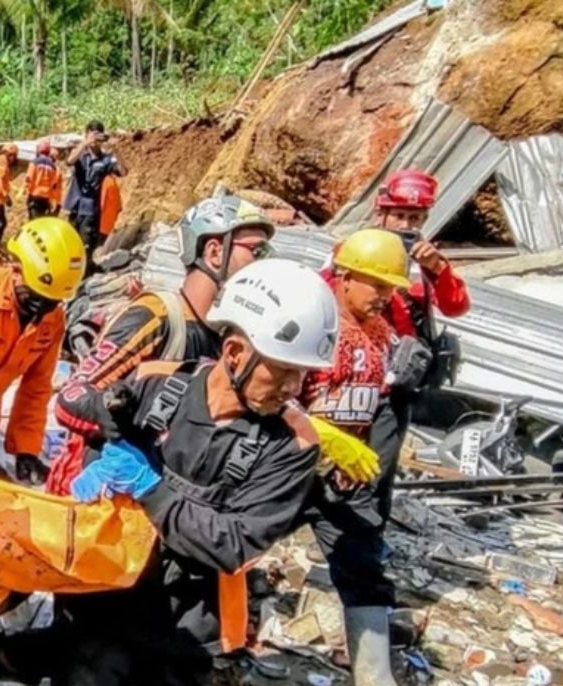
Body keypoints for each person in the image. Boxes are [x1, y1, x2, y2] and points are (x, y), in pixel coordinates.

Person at [54, 258, 338, 685]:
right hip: (104, 596)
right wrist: (99, 463)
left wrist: (150, 489)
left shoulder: (293, 445)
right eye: (282, 370)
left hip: (183, 625)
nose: (293, 388)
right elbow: (98, 427)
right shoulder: (155, 383)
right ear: (234, 353)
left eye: (302, 375)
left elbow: (233, 543)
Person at [49, 195, 274, 495]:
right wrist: (111, 415)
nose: (264, 264)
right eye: (256, 251)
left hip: (165, 506)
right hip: (100, 500)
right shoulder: (155, 316)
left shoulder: (229, 343)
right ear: (215, 252)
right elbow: (71, 397)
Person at [302, 228, 411, 686]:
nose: (385, 296)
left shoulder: (380, 337)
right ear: (344, 278)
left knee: (362, 564)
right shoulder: (315, 329)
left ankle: (373, 673)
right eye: (376, 285)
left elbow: (370, 407)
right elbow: (275, 399)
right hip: (291, 467)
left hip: (343, 480)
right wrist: (323, 435)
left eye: (390, 288)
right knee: (231, 545)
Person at [0, 217, 85, 484]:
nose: (44, 308)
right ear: (16, 269)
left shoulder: (53, 319)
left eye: (53, 301)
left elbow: (36, 386)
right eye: (37, 296)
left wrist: (26, 449)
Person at [371, 169, 470, 340]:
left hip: (408, 354)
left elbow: (456, 307)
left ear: (424, 220)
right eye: (399, 215)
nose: (405, 225)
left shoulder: (427, 260)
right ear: (381, 215)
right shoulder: (354, 248)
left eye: (414, 218)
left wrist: (437, 268)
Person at [64, 120, 125, 265]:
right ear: (86, 135)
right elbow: (69, 161)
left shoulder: (105, 159)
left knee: (86, 245)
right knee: (71, 243)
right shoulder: (81, 154)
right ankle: (71, 273)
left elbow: (123, 172)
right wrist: (85, 143)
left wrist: (117, 150)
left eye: (98, 137)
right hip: (76, 207)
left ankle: (84, 276)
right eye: (92, 136)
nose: (94, 141)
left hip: (92, 210)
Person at [25, 140, 62, 219]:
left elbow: (29, 178)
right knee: (42, 219)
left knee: (33, 220)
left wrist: (26, 190)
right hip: (45, 197)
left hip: (34, 195)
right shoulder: (53, 167)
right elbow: (54, 184)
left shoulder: (34, 162)